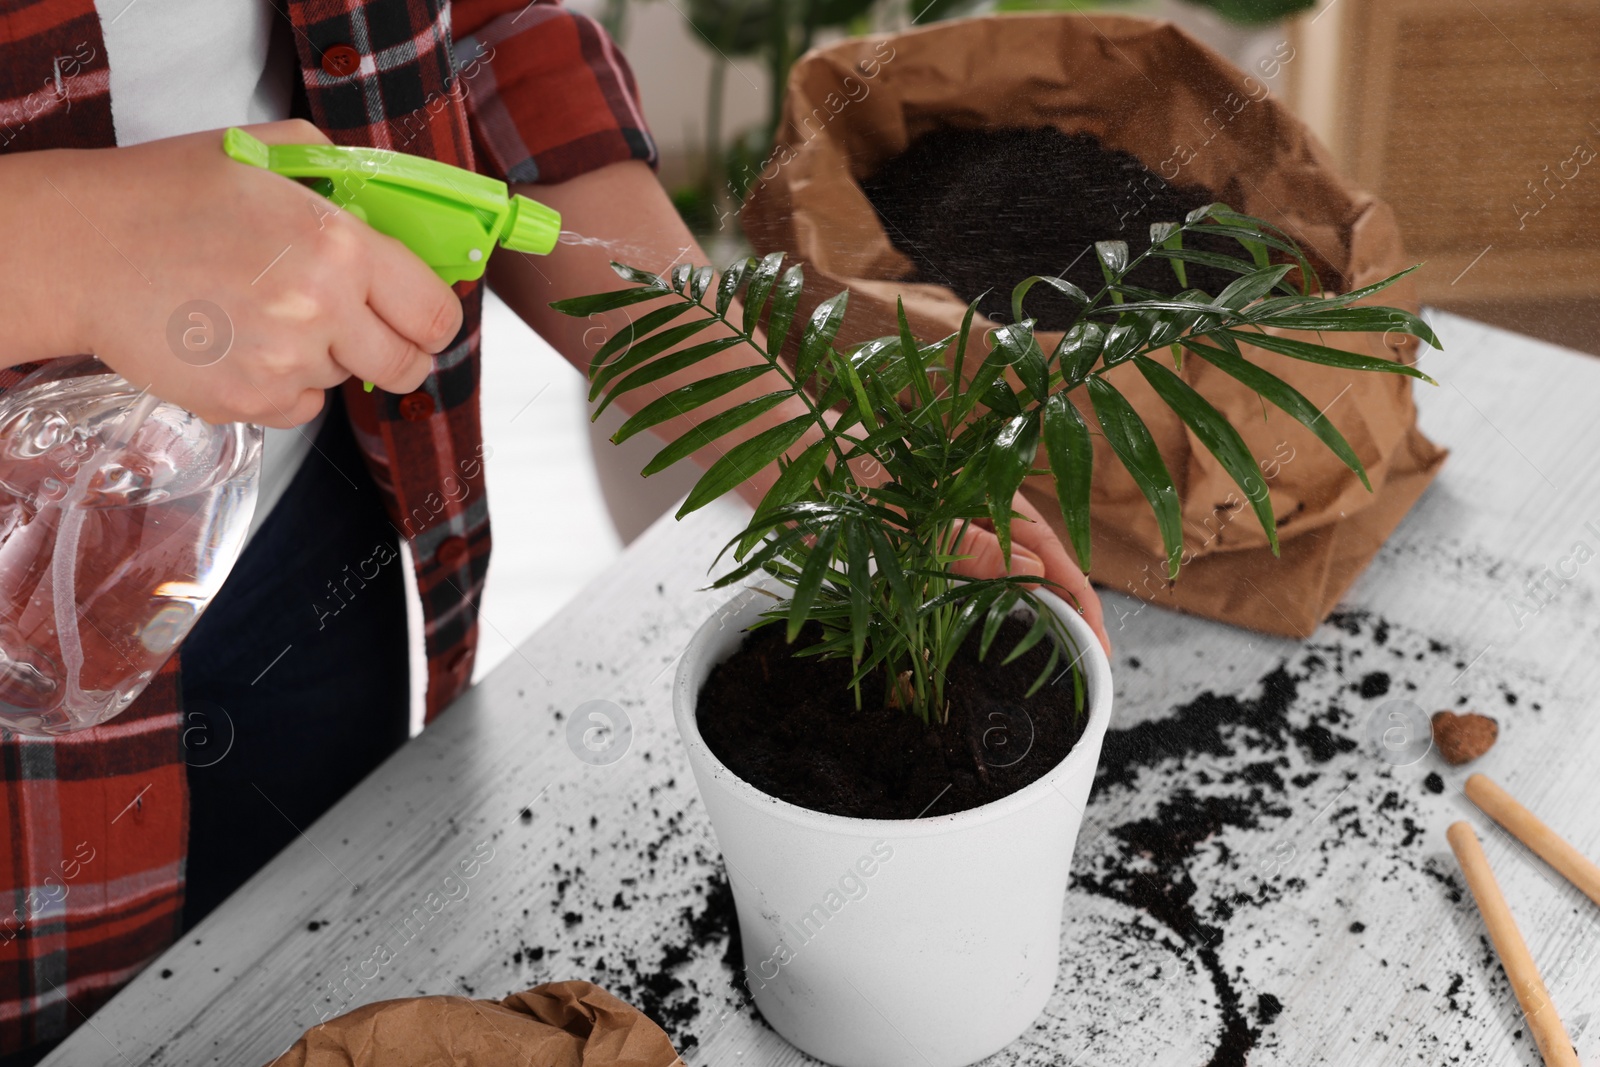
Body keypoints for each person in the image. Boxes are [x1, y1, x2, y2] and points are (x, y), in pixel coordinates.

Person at [0, 1, 1109, 1061]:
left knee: (318, 967)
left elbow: (471, 35)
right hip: (21, 668)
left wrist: (790, 418)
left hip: (294, 520)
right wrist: (62, 250)